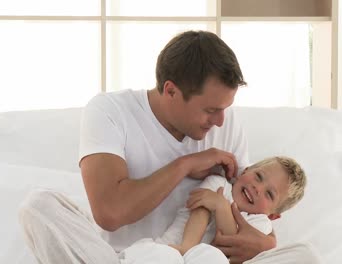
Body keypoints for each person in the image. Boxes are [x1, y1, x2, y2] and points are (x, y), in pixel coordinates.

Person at [19, 30, 321, 264]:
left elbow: (249, 204)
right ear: (171, 91)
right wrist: (186, 165)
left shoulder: (226, 123)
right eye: (210, 110)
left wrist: (266, 243)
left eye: (225, 109)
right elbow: (109, 212)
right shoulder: (110, 111)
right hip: (129, 258)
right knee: (39, 207)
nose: (220, 121)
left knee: (303, 256)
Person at [119, 156, 307, 263]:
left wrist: (221, 206)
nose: (258, 188)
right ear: (245, 171)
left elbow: (231, 244)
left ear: (273, 215)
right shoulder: (218, 183)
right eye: (258, 176)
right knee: (163, 256)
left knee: (213, 257)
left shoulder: (260, 224)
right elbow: (199, 212)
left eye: (269, 194)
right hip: (171, 247)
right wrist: (185, 248)